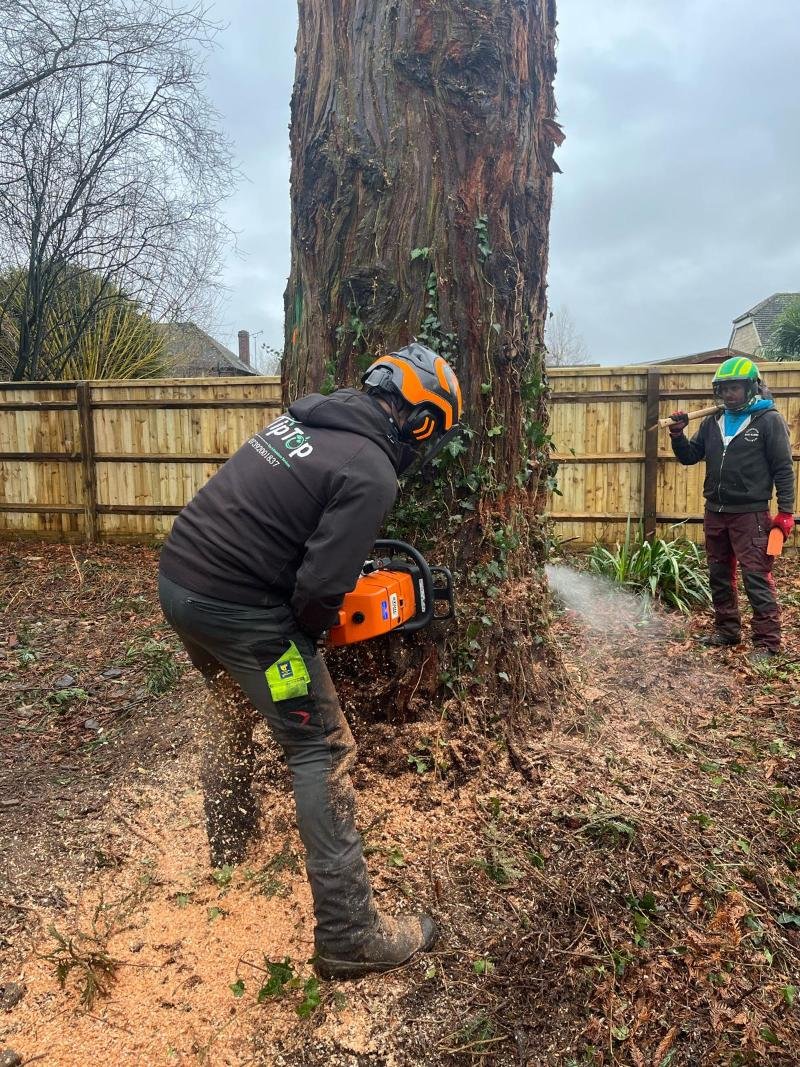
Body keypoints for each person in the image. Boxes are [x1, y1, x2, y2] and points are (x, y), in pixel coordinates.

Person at [157, 342, 463, 979]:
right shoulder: (373, 470)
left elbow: (284, 522)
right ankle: (349, 934)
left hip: (181, 580)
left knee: (231, 707)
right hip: (239, 608)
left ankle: (229, 841)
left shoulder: (306, 420)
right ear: (421, 420)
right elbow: (321, 591)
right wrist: (308, 642)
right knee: (321, 748)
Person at [669, 357, 795, 662]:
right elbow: (690, 457)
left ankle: (767, 641)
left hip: (750, 514)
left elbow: (783, 469)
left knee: (756, 575)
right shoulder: (712, 422)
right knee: (719, 573)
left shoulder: (768, 420)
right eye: (724, 389)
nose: (729, 394)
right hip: (715, 511)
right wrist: (677, 435)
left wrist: (785, 512)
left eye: (735, 388)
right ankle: (727, 630)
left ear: (751, 387)